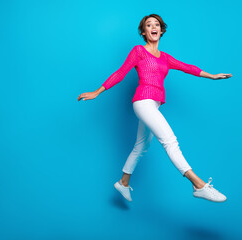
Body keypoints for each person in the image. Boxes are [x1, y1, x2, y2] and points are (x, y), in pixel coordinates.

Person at [77, 14, 233, 203]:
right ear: (144, 32)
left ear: (161, 30)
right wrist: (97, 91)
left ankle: (123, 183)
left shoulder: (165, 58)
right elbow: (121, 72)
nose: (153, 27)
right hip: (143, 101)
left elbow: (187, 67)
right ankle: (198, 185)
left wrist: (212, 76)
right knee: (170, 141)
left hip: (154, 104)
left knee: (142, 146)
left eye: (157, 24)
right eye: (149, 25)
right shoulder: (139, 51)